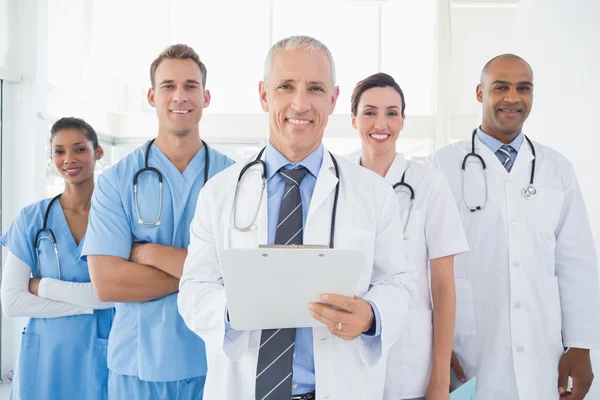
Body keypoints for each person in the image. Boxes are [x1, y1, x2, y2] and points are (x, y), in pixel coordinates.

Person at [178, 35, 416, 400]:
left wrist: (371, 315)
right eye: (286, 86)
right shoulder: (219, 192)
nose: (300, 103)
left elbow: (399, 282)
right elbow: (194, 289)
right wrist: (233, 310)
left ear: (333, 99)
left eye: (315, 88)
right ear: (263, 95)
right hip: (244, 389)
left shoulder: (373, 193)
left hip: (340, 387)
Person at [427, 54, 600, 400]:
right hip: (468, 351)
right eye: (500, 87)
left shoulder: (557, 169)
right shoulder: (441, 166)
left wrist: (581, 345)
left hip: (543, 353)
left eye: (524, 88)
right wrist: (436, 352)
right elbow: (423, 265)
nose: (512, 98)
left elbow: (576, 262)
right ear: (480, 93)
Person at [81, 44, 234, 399]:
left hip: (215, 364)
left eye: (190, 86)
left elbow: (242, 278)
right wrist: (203, 275)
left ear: (206, 97)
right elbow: (107, 283)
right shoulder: (117, 180)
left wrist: (147, 253)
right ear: (152, 96)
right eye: (168, 86)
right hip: (137, 369)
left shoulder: (234, 178)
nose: (179, 96)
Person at [352, 72, 469, 400]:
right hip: (346, 361)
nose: (381, 123)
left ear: (403, 121)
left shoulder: (429, 183)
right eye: (370, 112)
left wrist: (439, 381)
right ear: (353, 119)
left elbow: (444, 285)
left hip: (410, 363)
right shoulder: (338, 181)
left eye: (392, 113)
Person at [0, 117, 115, 400]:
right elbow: (12, 302)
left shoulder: (116, 217)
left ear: (98, 152)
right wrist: (89, 305)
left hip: (100, 349)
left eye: (79, 149)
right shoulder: (32, 218)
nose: (68, 159)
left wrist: (43, 287)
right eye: (59, 151)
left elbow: (118, 295)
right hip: (45, 356)